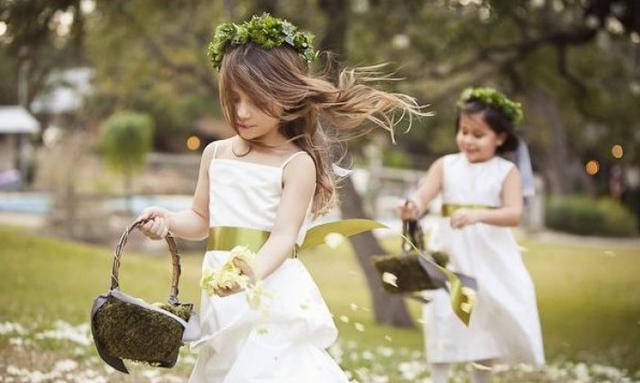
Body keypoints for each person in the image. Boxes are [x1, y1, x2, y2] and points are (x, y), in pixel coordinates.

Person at [137, 13, 424, 382]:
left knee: (269, 368)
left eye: (255, 101)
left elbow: (284, 236)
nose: (241, 112)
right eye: (234, 98)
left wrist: (249, 273)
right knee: (227, 366)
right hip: (221, 292)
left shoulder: (296, 163)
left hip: (267, 288)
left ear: (285, 95)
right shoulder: (216, 153)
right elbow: (200, 219)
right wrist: (166, 220)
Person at [397, 87, 544, 383]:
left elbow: (514, 213)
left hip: (488, 257)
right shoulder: (445, 165)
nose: (468, 140)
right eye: (463, 132)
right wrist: (412, 207)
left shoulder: (506, 171)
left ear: (499, 137)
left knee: (482, 322)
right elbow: (423, 196)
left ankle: (481, 379)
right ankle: (439, 376)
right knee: (443, 315)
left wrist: (478, 215)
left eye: (478, 135)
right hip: (449, 254)